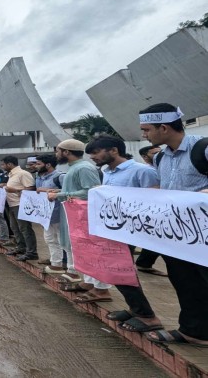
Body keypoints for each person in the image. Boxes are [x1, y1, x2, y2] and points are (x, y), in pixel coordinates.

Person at [138, 103, 208, 347]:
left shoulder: (203, 148)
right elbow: (164, 189)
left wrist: (198, 196)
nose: (144, 135)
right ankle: (194, 331)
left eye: (146, 130)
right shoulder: (160, 158)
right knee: (185, 282)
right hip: (177, 235)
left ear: (164, 128)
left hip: (204, 235)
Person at [85, 134, 163, 332]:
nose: (93, 157)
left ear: (114, 150)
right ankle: (136, 309)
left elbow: (155, 200)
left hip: (132, 230)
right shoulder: (106, 171)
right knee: (115, 270)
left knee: (121, 270)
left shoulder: (142, 171)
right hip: (113, 229)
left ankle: (147, 316)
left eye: (96, 152)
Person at [46, 139, 112, 303]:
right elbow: (77, 190)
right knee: (82, 250)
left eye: (58, 150)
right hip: (75, 215)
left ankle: (102, 289)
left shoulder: (83, 167)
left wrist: (59, 195)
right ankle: (89, 283)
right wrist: (61, 191)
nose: (56, 154)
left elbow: (91, 191)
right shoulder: (74, 168)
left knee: (91, 251)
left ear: (66, 152)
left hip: (85, 216)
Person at [130, 145, 165, 276]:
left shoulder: (164, 169)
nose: (160, 155)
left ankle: (144, 263)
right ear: (145, 157)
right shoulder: (147, 171)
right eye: (155, 153)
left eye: (161, 152)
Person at [0, 155, 38, 261]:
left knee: (25, 229)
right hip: (11, 204)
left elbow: (31, 188)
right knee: (15, 228)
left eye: (3, 164)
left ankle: (32, 252)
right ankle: (21, 247)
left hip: (20, 204)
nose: (2, 167)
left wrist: (15, 190)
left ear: (10, 164)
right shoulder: (11, 175)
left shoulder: (23, 174)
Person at [33, 155, 65, 273]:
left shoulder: (59, 177)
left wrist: (46, 190)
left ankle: (68, 266)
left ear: (47, 165)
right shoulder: (39, 177)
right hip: (45, 215)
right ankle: (56, 263)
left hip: (59, 213)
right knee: (49, 239)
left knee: (62, 240)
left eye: (38, 163)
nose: (36, 166)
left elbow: (68, 191)